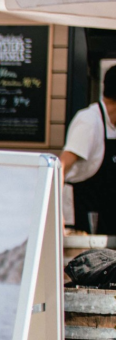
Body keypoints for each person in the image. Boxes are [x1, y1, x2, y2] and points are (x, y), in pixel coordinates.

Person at [61, 66, 116, 234]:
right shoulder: (89, 122)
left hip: (106, 220)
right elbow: (60, 168)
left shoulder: (112, 126)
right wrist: (55, 215)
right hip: (81, 221)